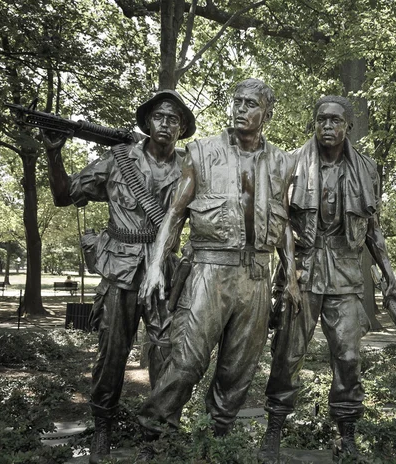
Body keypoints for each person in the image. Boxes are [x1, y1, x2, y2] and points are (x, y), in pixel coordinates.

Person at [137, 78, 300, 449]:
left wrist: (290, 275)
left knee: (238, 370)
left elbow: (284, 223)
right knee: (186, 360)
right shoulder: (202, 152)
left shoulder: (282, 162)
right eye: (237, 102)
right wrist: (155, 266)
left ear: (267, 114)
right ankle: (155, 435)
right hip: (209, 270)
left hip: (256, 275)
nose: (241, 109)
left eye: (250, 104)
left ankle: (215, 441)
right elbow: (175, 214)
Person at [41, 90, 195, 464]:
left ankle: (157, 434)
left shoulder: (190, 169)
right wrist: (53, 152)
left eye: (173, 119)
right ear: (147, 122)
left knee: (166, 354)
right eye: (159, 116)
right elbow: (64, 195)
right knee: (112, 353)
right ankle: (103, 430)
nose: (165, 124)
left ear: (181, 129)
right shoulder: (118, 159)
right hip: (119, 269)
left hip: (164, 274)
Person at [258, 95, 396, 463]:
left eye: (335, 120)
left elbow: (373, 229)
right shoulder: (291, 163)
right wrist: (288, 273)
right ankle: (274, 428)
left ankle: (347, 433)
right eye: (321, 119)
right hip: (303, 270)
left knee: (349, 357)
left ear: (347, 127)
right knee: (287, 354)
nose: (327, 126)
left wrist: (390, 280)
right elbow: (281, 226)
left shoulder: (367, 169)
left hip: (346, 272)